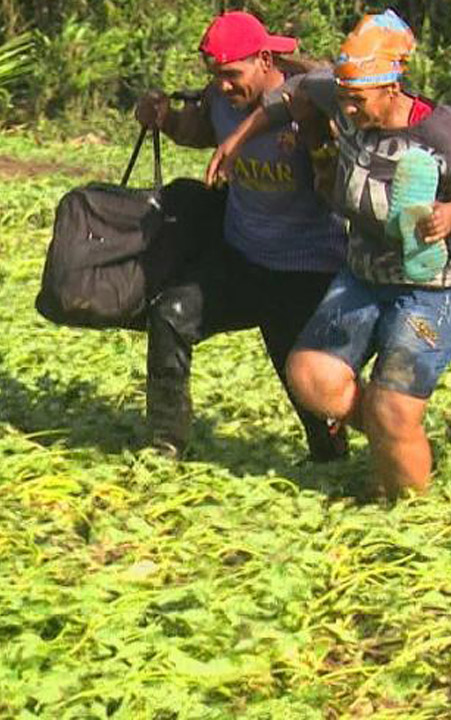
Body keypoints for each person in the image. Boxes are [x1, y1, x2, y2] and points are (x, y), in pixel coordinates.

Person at [207, 10, 451, 498]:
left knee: (393, 405)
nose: (346, 111)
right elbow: (296, 96)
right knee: (311, 376)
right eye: (344, 99)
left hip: (437, 285)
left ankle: (411, 514)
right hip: (367, 271)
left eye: (358, 101)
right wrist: (237, 138)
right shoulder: (340, 93)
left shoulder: (442, 133)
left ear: (391, 88)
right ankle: (398, 439)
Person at [135, 11, 349, 461]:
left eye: (232, 75)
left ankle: (332, 458)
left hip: (306, 266)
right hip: (243, 257)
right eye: (217, 78)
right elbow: (197, 130)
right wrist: (164, 117)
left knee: (303, 381)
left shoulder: (309, 99)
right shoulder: (220, 99)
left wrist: (316, 144)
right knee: (172, 315)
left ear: (265, 60)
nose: (224, 87)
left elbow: (334, 191)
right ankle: (164, 444)